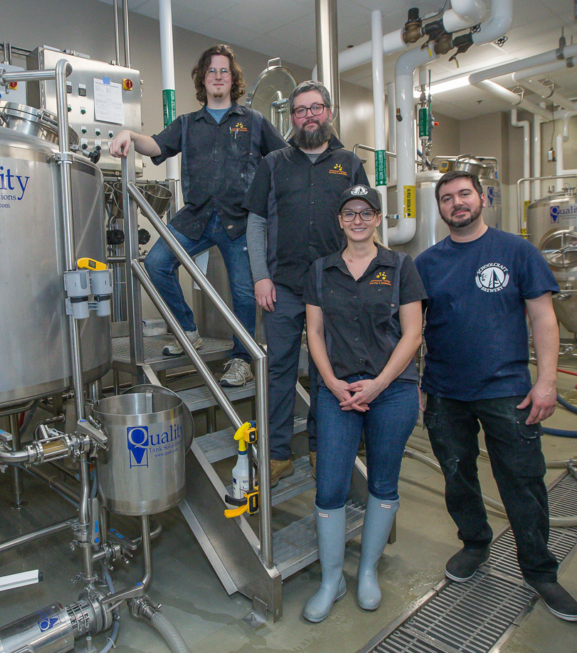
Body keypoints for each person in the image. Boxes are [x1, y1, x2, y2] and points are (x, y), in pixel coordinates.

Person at [414, 170, 577, 622]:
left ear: (482, 198)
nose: (457, 203)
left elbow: (543, 318)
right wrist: (420, 387)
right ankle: (475, 543)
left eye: (464, 194)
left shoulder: (517, 251)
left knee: (523, 480)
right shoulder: (426, 263)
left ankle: (540, 571)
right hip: (446, 390)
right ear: (440, 208)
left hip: (507, 389)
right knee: (457, 474)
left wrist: (547, 381)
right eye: (447, 198)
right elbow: (414, 331)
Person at [109, 44, 286, 387]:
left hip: (239, 220)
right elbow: (157, 146)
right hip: (197, 217)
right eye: (212, 71)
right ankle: (188, 330)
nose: (218, 76)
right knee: (157, 262)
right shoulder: (188, 124)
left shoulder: (253, 121)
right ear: (202, 80)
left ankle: (241, 359)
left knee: (244, 294)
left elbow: (283, 159)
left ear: (232, 79)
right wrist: (128, 133)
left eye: (224, 71)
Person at [301, 185, 425, 622]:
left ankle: (367, 571)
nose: (357, 219)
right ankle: (331, 579)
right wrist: (334, 384)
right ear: (340, 220)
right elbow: (314, 333)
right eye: (349, 212)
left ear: (378, 218)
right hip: (337, 391)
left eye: (366, 212)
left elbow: (412, 333)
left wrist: (378, 384)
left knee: (383, 482)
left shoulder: (401, 267)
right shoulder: (320, 270)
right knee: (330, 486)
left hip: (391, 391)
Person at [243, 80, 369, 486]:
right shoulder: (274, 163)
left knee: (327, 371)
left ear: (329, 113)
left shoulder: (348, 163)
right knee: (278, 369)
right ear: (292, 117)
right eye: (300, 110)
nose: (309, 116)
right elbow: (256, 222)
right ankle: (278, 453)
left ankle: (320, 447)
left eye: (316, 108)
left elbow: (363, 223)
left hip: (333, 287)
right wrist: (260, 276)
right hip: (282, 286)